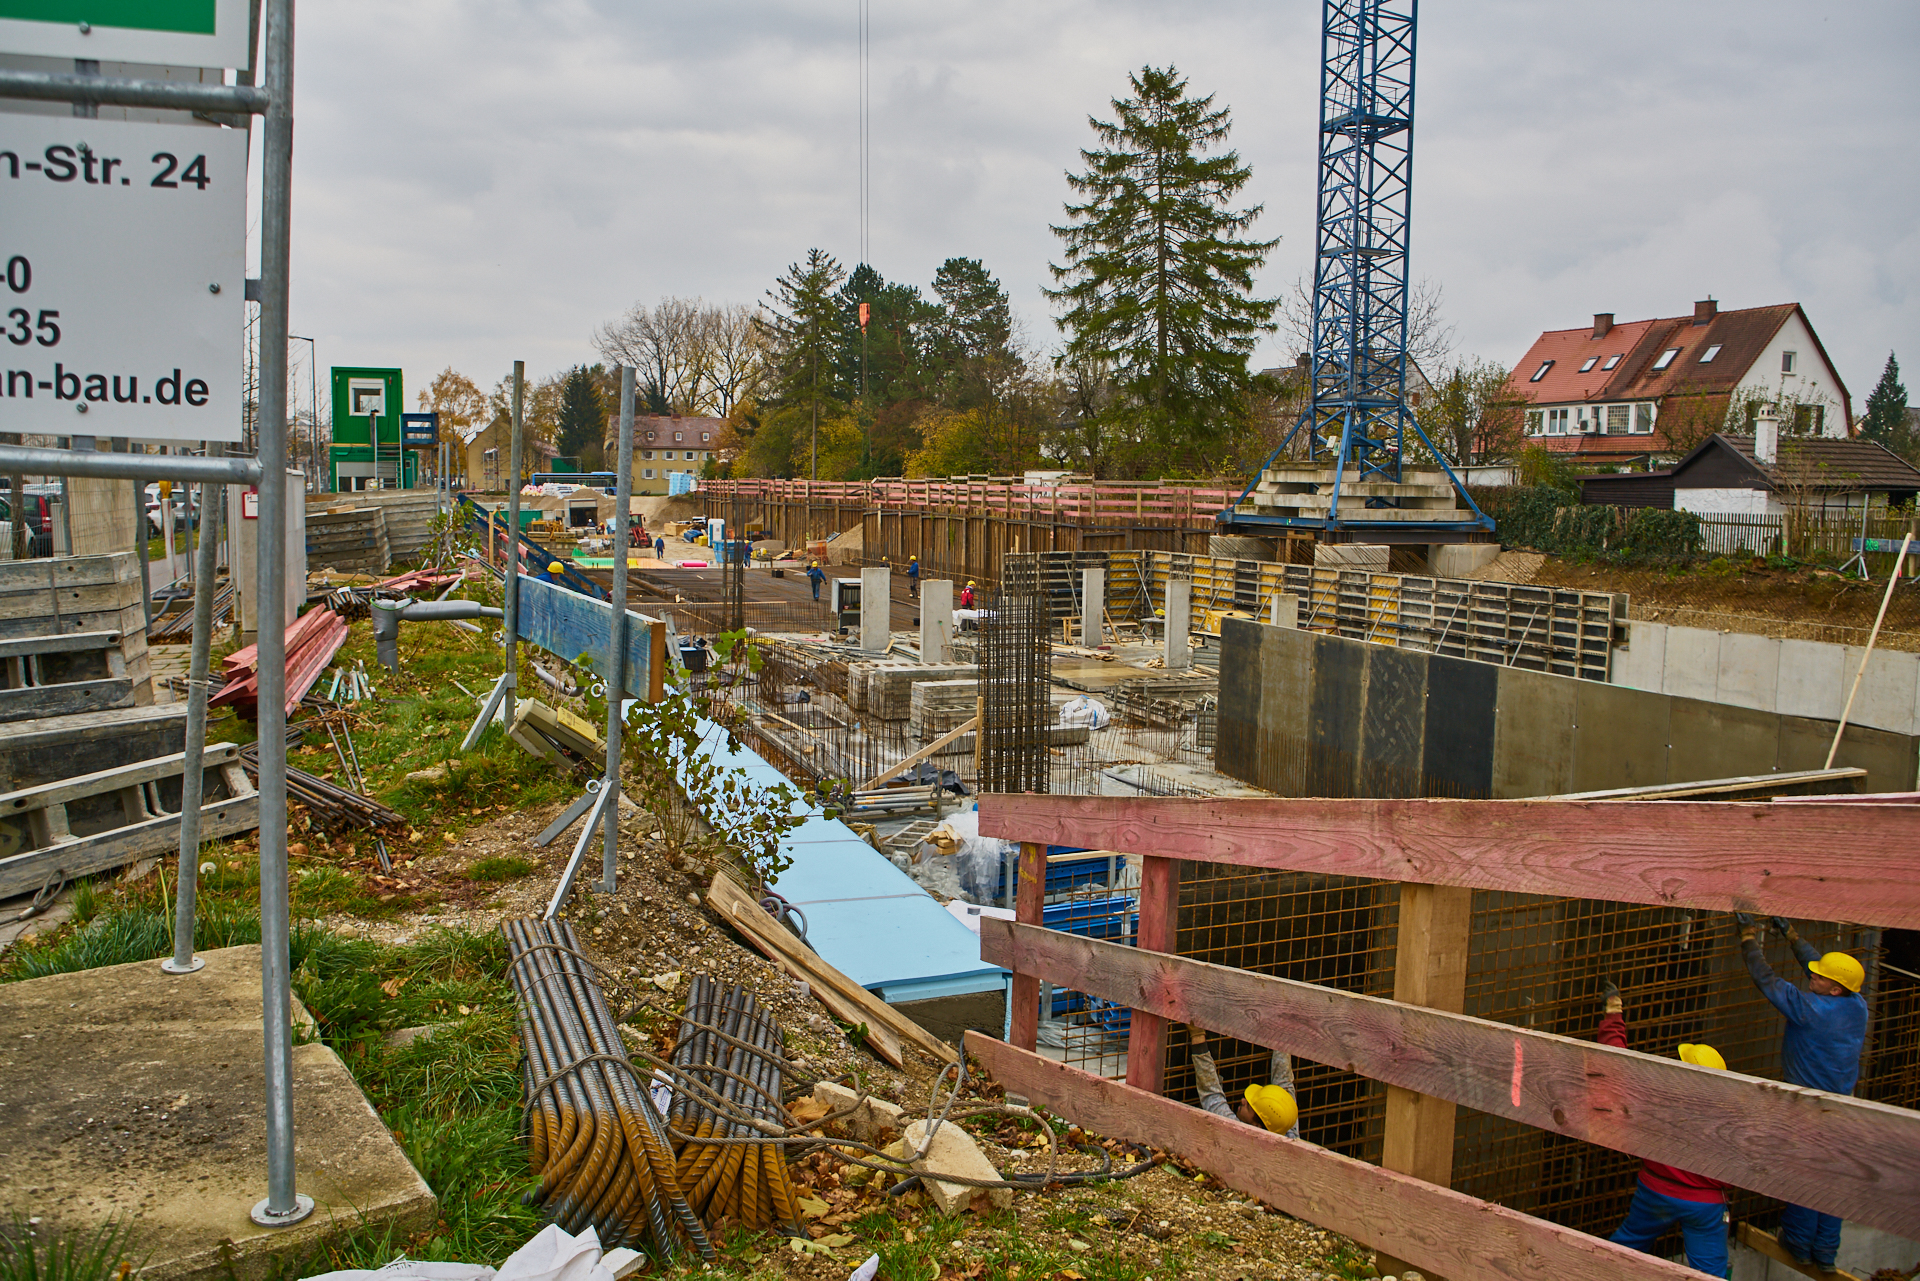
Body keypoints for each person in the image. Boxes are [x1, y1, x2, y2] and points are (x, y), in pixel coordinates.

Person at [1737, 914, 1869, 1273]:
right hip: (1842, 1106)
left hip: (1807, 1109)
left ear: (1835, 989)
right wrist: (1791, 935)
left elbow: (1766, 980)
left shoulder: (1810, 1009)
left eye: (1818, 976)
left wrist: (1749, 937)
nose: (1812, 975)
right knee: (1832, 1179)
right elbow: (1825, 971)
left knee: (1804, 1173)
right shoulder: (1856, 1006)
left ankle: (1796, 1242)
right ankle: (1825, 1253)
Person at [1596, 980, 1733, 1278]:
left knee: (1625, 1247)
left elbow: (1616, 1062)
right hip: (1704, 1204)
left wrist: (1613, 1013)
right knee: (1710, 1271)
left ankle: (1596, 1272)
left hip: (1655, 1190)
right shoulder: (1728, 1117)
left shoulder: (1655, 1095)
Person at [1186, 1026, 1298, 1136]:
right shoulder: (1287, 1129)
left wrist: (1197, 1036)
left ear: (1257, 1127)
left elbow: (1212, 1097)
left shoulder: (1237, 1136)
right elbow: (1284, 1082)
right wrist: (1283, 1029)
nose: (1243, 1100)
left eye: (1248, 1107)